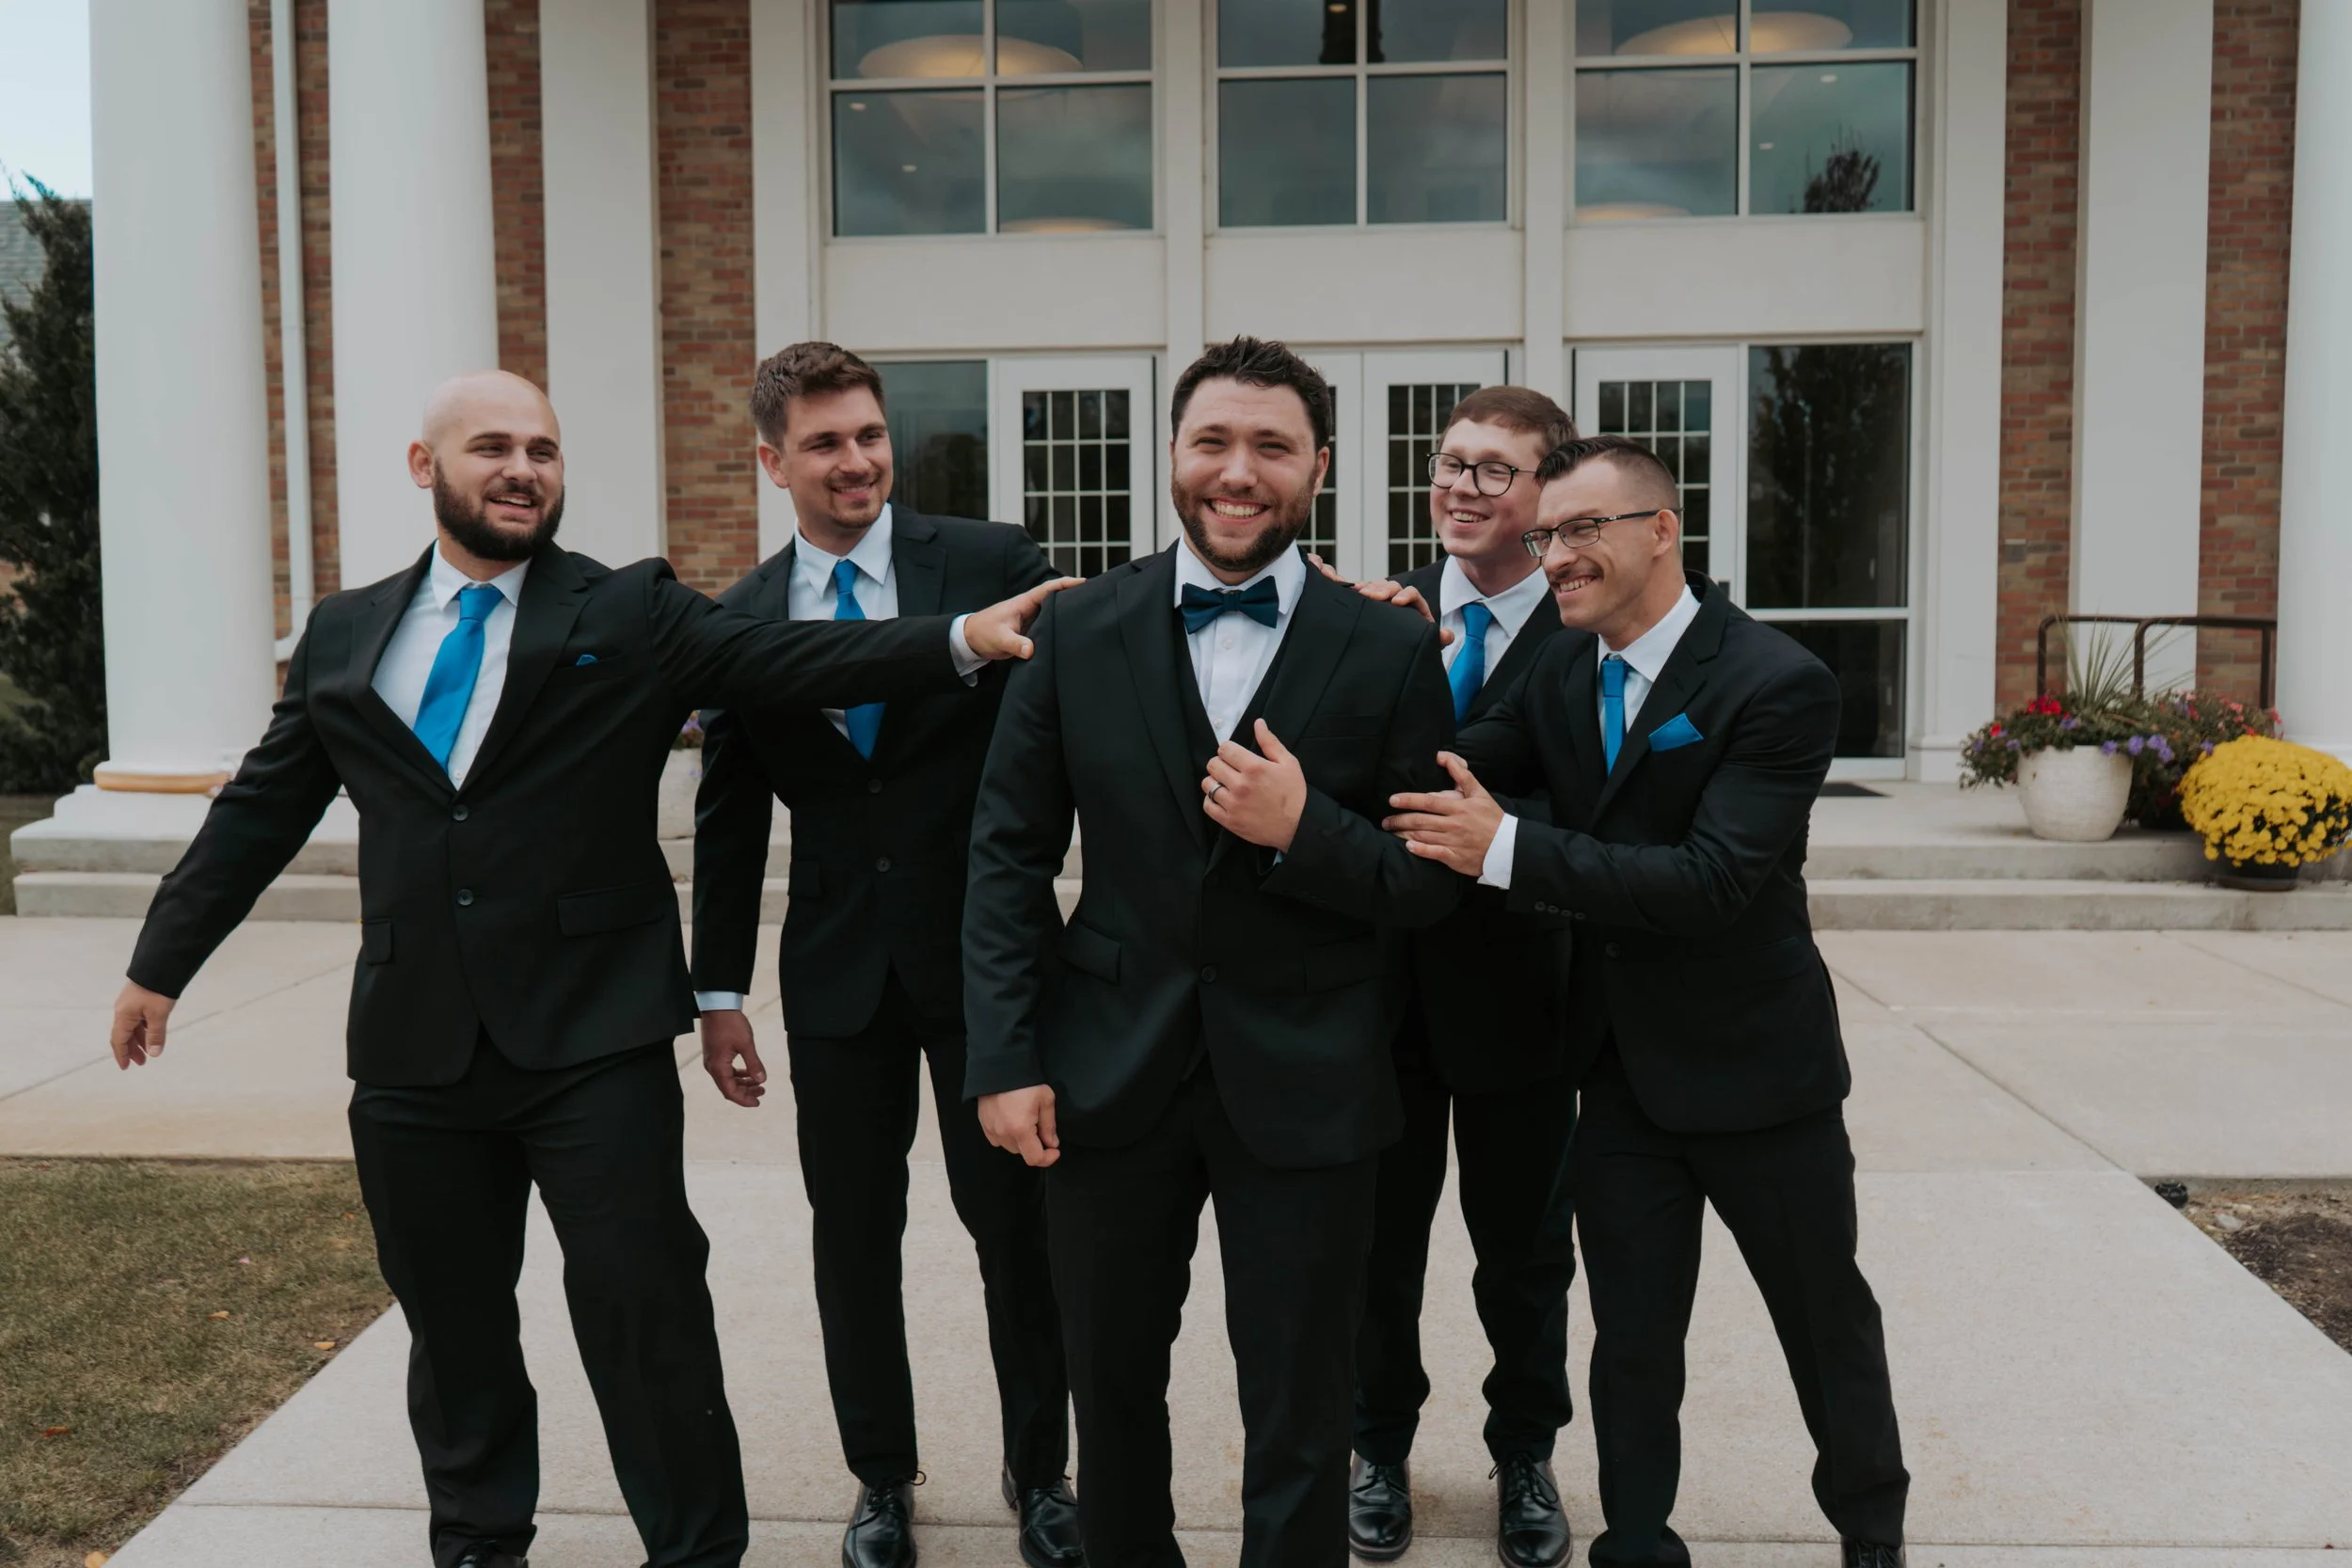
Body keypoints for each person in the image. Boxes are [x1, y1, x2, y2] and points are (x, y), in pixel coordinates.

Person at [107, 371, 1071, 1568]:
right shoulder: (347, 633)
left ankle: (696, 1549)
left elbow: (787, 660)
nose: (523, 469)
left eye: (545, 450)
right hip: (413, 1043)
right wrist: (163, 960)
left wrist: (959, 638)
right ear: (427, 468)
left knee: (644, 1311)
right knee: (454, 1329)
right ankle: (477, 1545)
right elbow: (263, 805)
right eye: (495, 448)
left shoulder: (631, 609)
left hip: (593, 1037)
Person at [963, 337, 1463, 1567]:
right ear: (1173, 455)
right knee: (1112, 1384)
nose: (1239, 471)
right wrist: (1004, 1053)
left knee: (1299, 1399)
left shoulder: (1393, 643)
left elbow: (1431, 883)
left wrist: (1311, 833)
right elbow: (1005, 858)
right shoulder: (1079, 629)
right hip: (1105, 1068)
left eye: (1272, 446)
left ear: (1321, 467)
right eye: (1213, 441)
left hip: (1311, 1073)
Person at [1382, 435, 1910, 1568]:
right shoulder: (1561, 670)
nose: (1555, 557)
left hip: (1760, 1074)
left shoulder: (1776, 681)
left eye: (1581, 531)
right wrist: (1360, 652)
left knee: (1822, 1323)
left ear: (1659, 530)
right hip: (1618, 1073)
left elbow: (1713, 880)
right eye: (1545, 536)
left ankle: (1871, 1529)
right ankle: (1633, 1540)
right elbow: (1444, 762)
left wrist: (1509, 847)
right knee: (1629, 1338)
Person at [688, 342, 1077, 1568]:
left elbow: (1066, 745)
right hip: (841, 972)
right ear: (771, 460)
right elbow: (729, 811)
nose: (854, 460)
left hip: (991, 967)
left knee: (1016, 1230)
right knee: (850, 1234)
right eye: (823, 442)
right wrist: (718, 990)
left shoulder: (990, 564)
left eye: (867, 434)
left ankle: (1042, 1470)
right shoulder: (740, 620)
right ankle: (881, 1477)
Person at [1347, 387, 1580, 1568]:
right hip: (1378, 997)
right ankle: (1375, 1445)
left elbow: (1592, 804)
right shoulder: (1372, 616)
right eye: (1449, 463)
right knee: (1377, 1249)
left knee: (1526, 1255)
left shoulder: (1589, 632)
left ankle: (1525, 1452)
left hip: (1521, 995)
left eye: (1495, 469)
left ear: (1548, 498)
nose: (1461, 485)